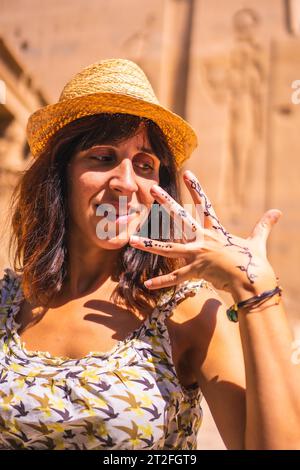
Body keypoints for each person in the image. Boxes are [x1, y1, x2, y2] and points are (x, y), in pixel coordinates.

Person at [0, 58, 299, 451]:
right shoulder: (7, 300)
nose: (127, 183)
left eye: (145, 165)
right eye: (103, 157)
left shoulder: (186, 313)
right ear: (60, 174)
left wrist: (255, 291)